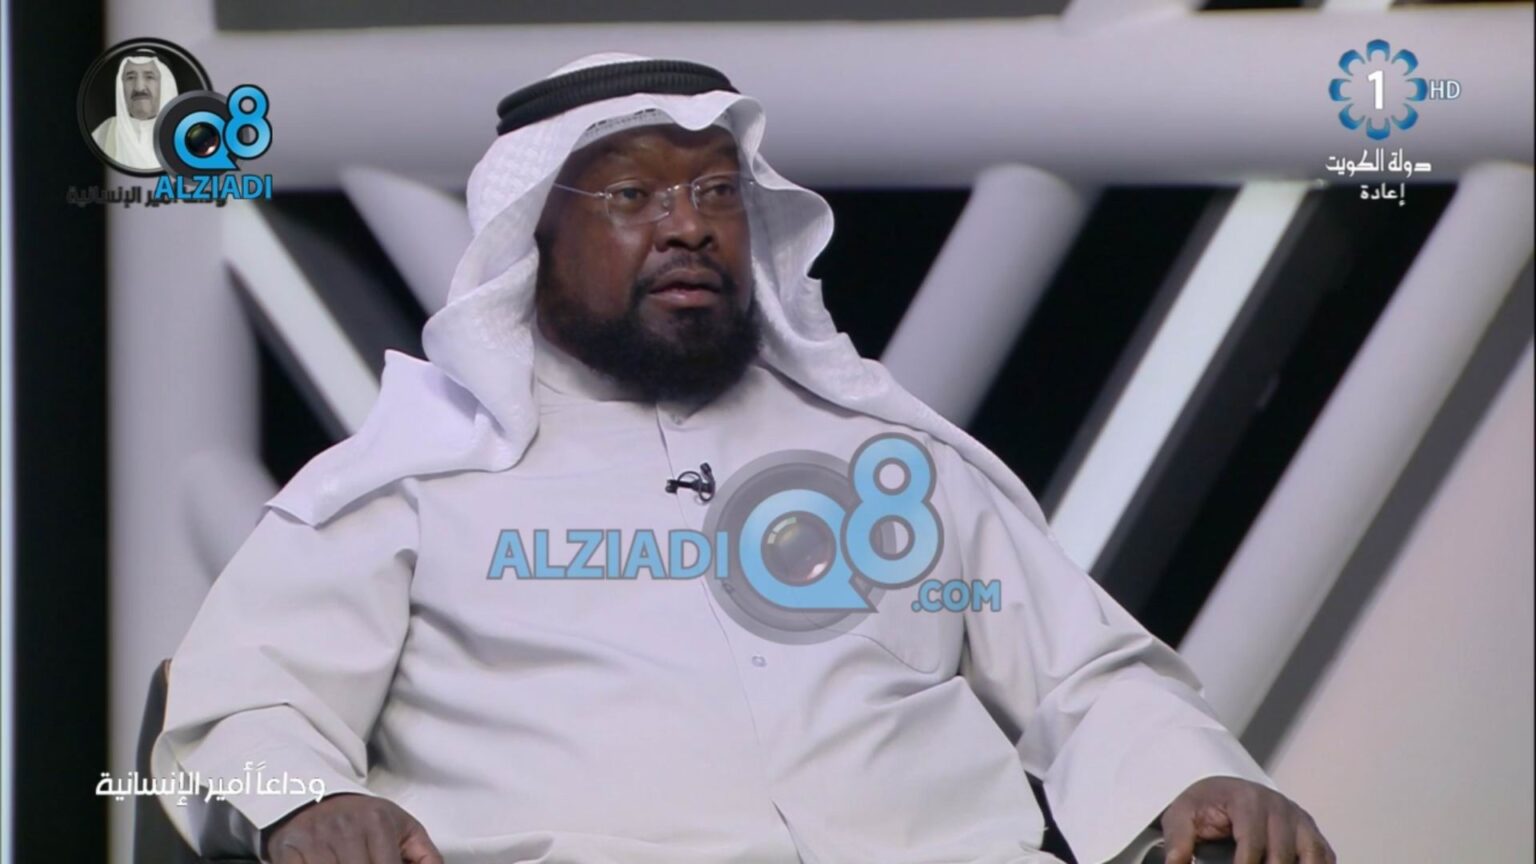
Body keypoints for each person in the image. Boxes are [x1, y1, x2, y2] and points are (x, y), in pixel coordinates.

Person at [151, 53, 1335, 864]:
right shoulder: (414, 479)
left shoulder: (884, 456)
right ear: (533, 240)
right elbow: (247, 698)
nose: (688, 226)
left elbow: (1088, 675)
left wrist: (1191, 776)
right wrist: (305, 800)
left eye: (716, 192)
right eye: (633, 195)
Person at [90, 50, 179, 171]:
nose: (139, 87)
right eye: (130, 78)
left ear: (166, 85)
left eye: (149, 77)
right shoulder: (105, 132)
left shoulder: (185, 133)